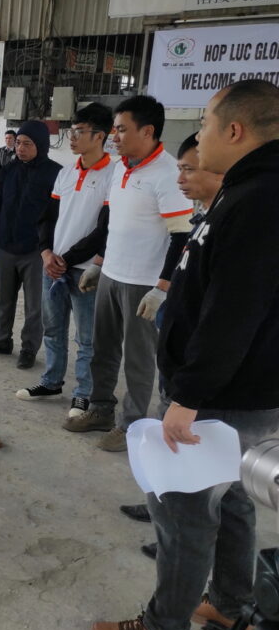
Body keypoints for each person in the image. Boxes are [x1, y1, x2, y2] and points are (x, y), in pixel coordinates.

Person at [92, 80, 279, 630]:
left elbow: (234, 311)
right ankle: (230, 605)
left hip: (224, 393)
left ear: (234, 131)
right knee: (231, 504)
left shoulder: (260, 200)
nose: (195, 136)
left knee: (185, 510)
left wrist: (188, 395)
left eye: (203, 123)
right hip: (238, 391)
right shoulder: (249, 190)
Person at [117, 131, 225, 563]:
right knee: (173, 451)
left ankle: (181, 540)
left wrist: (190, 388)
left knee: (204, 470)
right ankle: (164, 507)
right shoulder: (203, 218)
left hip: (198, 373)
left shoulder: (229, 224)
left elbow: (226, 315)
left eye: (189, 169)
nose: (180, 177)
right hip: (179, 360)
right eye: (179, 167)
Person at [65, 95, 193, 452]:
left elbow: (181, 236)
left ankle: (133, 425)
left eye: (121, 130)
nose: (114, 137)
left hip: (143, 283)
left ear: (148, 131)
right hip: (112, 275)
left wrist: (162, 288)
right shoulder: (122, 168)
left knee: (138, 359)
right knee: (103, 350)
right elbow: (113, 224)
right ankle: (101, 409)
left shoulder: (168, 174)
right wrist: (98, 263)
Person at [16, 103, 115, 418]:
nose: (71, 137)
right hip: (53, 267)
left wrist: (67, 259)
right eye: (71, 130)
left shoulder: (114, 174)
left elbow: (105, 229)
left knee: (87, 338)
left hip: (86, 270)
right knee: (53, 328)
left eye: (79, 132)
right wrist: (46, 252)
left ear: (99, 136)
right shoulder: (68, 171)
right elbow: (48, 217)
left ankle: (83, 394)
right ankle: (51, 381)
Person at [0, 121, 60, 369]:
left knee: (34, 305)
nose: (20, 148)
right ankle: (1, 340)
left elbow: (56, 215)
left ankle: (29, 349)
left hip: (35, 250)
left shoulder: (55, 173)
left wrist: (48, 247)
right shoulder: (9, 169)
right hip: (5, 245)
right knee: (4, 298)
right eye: (19, 143)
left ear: (41, 145)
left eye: (27, 144)